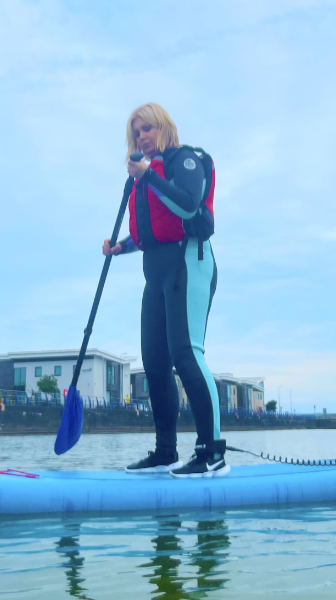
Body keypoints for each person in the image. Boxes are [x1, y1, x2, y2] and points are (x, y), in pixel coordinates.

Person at [102, 103, 227, 477]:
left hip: (189, 264)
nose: (142, 136)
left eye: (148, 129)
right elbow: (153, 231)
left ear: (164, 128)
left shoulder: (183, 161)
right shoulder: (146, 177)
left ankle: (212, 452)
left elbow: (188, 208)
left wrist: (148, 177)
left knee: (187, 355)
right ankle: (165, 452)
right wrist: (120, 247)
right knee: (155, 362)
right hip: (155, 273)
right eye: (136, 132)